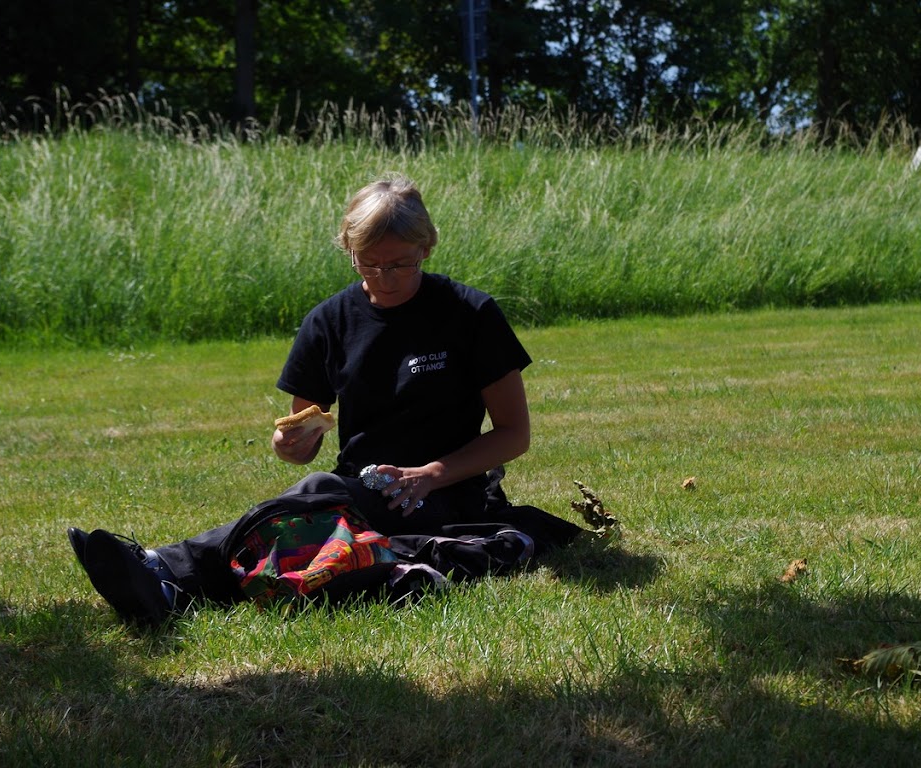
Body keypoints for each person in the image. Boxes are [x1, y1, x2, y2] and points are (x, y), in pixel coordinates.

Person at [67, 174, 565, 627]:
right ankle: (164, 590)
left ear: (428, 247)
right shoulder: (328, 322)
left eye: (401, 264)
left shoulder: (471, 313)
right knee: (304, 525)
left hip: (451, 492)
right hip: (358, 489)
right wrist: (290, 443)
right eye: (368, 264)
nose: (385, 278)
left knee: (316, 503)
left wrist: (428, 475)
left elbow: (513, 434)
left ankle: (162, 566)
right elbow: (301, 439)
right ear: (348, 249)